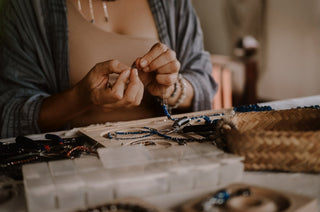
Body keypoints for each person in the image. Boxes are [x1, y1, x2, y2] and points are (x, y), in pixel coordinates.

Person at [0, 0, 217, 138]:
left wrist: (171, 89)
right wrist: (80, 98)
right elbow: (9, 113)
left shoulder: (173, 5)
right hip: (71, 168)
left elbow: (204, 83)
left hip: (166, 157)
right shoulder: (26, 8)